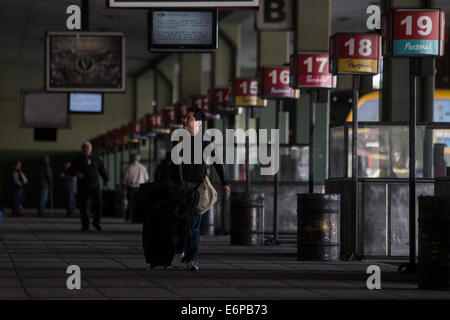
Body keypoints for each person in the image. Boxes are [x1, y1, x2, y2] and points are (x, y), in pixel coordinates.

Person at [168, 107, 230, 270]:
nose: (185, 120)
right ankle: (179, 251)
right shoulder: (178, 139)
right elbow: (173, 163)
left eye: (189, 118)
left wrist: (225, 182)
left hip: (198, 190)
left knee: (194, 226)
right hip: (181, 189)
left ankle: (191, 259)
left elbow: (217, 161)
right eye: (185, 118)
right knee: (178, 223)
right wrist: (172, 181)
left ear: (198, 123)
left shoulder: (204, 140)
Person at [68, 142, 109, 231]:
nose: (86, 151)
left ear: (90, 150)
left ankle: (96, 222)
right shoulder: (77, 160)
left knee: (98, 204)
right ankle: (85, 225)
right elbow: (69, 170)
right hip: (83, 187)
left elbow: (102, 170)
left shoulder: (96, 159)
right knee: (83, 206)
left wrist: (106, 180)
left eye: (87, 149)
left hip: (95, 186)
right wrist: (76, 173)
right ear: (82, 150)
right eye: (84, 149)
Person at [123, 154, 149, 222]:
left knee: (130, 203)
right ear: (138, 159)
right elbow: (146, 178)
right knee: (139, 203)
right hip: (140, 187)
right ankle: (138, 217)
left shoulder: (129, 167)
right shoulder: (143, 167)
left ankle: (129, 217)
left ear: (132, 159)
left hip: (131, 187)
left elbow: (125, 178)